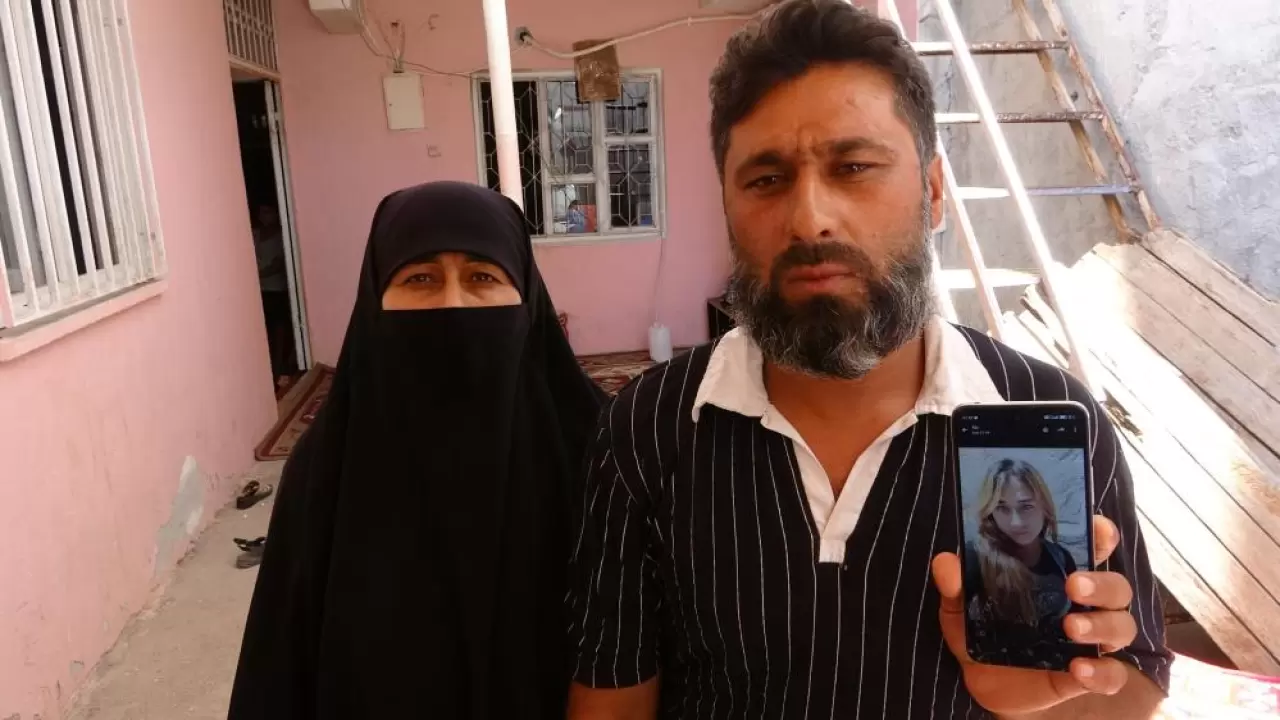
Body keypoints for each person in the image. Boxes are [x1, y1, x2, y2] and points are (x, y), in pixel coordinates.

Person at [564, 2, 1171, 718]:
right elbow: (612, 699)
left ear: (934, 191)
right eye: (766, 180)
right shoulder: (649, 428)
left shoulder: (1041, 424)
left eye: (853, 167)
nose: (809, 219)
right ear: (727, 205)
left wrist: (1035, 701)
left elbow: (1133, 688)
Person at [228, 181, 608, 719]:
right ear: (375, 299)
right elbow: (279, 669)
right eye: (420, 278)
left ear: (526, 296)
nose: (453, 303)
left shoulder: (597, 451)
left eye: (482, 277)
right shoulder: (327, 467)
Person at [965, 459, 1082, 670]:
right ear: (990, 511)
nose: (1016, 522)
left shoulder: (1061, 557)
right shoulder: (976, 556)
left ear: (1045, 507)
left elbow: (1079, 619)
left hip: (1058, 672)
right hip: (999, 675)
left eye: (1026, 507)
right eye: (1002, 508)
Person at [252, 204, 293, 381]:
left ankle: (280, 368)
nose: (264, 216)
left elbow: (278, 264)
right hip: (258, 290)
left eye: (268, 212)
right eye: (262, 212)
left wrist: (255, 274)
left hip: (276, 289)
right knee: (263, 331)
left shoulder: (282, 236)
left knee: (279, 331)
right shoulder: (254, 233)